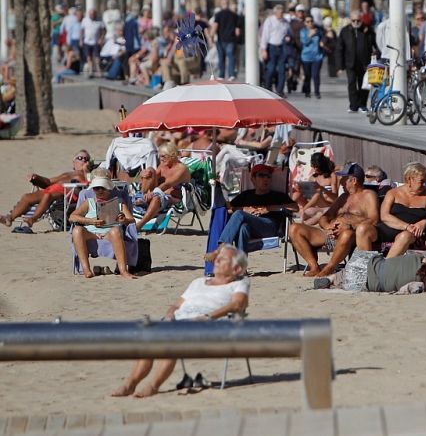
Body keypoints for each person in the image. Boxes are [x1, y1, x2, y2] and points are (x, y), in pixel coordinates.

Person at [110, 245, 249, 397]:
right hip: (177, 321)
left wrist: (208, 317)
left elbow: (238, 304)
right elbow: (176, 305)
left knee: (171, 342)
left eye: (222, 259)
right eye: (218, 257)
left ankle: (153, 386)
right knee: (147, 340)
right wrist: (169, 316)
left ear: (236, 269)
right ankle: (130, 385)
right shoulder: (199, 282)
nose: (216, 260)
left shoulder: (239, 283)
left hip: (206, 326)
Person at [288, 163, 379, 277]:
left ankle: (329, 267)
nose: (341, 182)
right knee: (294, 228)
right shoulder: (343, 197)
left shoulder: (369, 195)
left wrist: (350, 225)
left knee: (346, 234)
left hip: (351, 236)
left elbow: (374, 219)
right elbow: (325, 216)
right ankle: (314, 267)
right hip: (330, 235)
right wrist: (327, 226)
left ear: (354, 180)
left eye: (344, 179)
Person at [206, 165, 297, 259]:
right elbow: (229, 209)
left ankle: (222, 248)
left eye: (268, 176)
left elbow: (295, 207)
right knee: (243, 228)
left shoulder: (277, 195)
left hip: (270, 227)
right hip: (252, 228)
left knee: (239, 214)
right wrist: (245, 209)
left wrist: (269, 209)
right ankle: (241, 266)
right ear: (253, 179)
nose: (266, 179)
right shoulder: (246, 195)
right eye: (261, 175)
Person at [0, 150, 92, 229]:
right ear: (74, 162)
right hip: (51, 190)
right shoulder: (67, 174)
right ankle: (9, 218)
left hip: (68, 194)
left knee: (48, 195)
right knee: (27, 197)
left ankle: (33, 219)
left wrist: (86, 171)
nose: (83, 160)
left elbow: (90, 186)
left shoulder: (88, 174)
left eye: (86, 159)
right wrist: (36, 178)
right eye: (80, 158)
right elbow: (48, 182)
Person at [70, 177, 137, 279]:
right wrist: (91, 221)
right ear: (93, 190)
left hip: (110, 234)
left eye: (102, 188)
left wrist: (124, 220)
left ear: (109, 189)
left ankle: (123, 271)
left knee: (115, 231)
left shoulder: (119, 202)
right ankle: (86, 270)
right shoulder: (89, 202)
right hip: (91, 233)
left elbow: (131, 220)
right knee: (77, 230)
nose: (100, 191)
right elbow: (72, 217)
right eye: (96, 188)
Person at [373, 162, 426, 258]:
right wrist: (406, 226)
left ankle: (384, 267)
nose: (424, 185)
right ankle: (365, 267)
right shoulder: (393, 193)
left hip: (411, 233)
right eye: (421, 181)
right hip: (389, 228)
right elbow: (384, 216)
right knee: (363, 230)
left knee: (404, 236)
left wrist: (424, 222)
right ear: (409, 179)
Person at [312, 250, 426, 293]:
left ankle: (330, 278)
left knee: (346, 272)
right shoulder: (416, 284)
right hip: (360, 284)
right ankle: (334, 282)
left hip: (362, 263)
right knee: (347, 281)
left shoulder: (414, 259)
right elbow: (404, 290)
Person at [133, 142, 191, 232]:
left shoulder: (181, 169)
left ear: (173, 155)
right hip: (159, 193)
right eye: (160, 156)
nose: (161, 159)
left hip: (174, 197)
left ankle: (139, 225)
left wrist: (153, 193)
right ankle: (142, 195)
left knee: (157, 197)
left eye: (164, 156)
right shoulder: (163, 165)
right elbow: (153, 178)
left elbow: (167, 184)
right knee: (150, 170)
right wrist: (143, 175)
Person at [336, 10, 377, 113]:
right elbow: (340, 48)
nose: (355, 23)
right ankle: (353, 105)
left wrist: (377, 55)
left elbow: (376, 45)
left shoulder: (368, 30)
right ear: (350, 20)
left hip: (364, 63)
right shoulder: (345, 31)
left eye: (358, 20)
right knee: (351, 83)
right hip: (350, 63)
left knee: (364, 85)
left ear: (361, 20)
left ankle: (362, 105)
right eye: (353, 20)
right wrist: (340, 66)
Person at [291, 152, 339, 225]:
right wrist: (300, 189)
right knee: (297, 194)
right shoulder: (313, 177)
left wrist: (323, 189)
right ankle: (301, 222)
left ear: (322, 165)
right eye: (314, 166)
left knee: (319, 194)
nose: (315, 169)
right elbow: (310, 197)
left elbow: (335, 197)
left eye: (317, 166)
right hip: (316, 205)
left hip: (328, 203)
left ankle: (302, 213)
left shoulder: (332, 176)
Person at [260, 5, 290, 94]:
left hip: (282, 47)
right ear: (275, 12)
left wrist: (288, 38)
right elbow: (265, 35)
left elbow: (287, 33)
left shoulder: (285, 22)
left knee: (282, 69)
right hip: (271, 47)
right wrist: (263, 49)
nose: (281, 14)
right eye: (280, 12)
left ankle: (280, 90)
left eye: (282, 12)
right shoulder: (269, 21)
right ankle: (268, 88)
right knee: (271, 68)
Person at [212, 0, 240, 80]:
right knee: (231, 57)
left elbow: (215, 27)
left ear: (221, 4)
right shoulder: (234, 15)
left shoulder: (218, 14)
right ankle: (231, 75)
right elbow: (237, 31)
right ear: (228, 4)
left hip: (221, 39)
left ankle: (221, 75)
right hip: (231, 39)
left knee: (221, 57)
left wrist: (211, 36)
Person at [300, 15, 324, 99]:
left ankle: (317, 92)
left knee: (316, 75)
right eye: (308, 22)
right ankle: (307, 92)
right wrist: (310, 35)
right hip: (306, 57)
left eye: (311, 21)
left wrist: (323, 43)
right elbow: (304, 42)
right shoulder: (303, 31)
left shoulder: (318, 31)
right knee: (307, 75)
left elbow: (323, 39)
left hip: (317, 57)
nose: (310, 23)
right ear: (305, 23)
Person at [81, 8, 105, 77]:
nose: (92, 16)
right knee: (89, 57)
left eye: (93, 14)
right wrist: (81, 40)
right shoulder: (85, 20)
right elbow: (82, 31)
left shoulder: (99, 21)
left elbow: (103, 30)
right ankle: (91, 71)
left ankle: (98, 71)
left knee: (97, 57)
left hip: (95, 41)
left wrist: (101, 38)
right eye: (91, 14)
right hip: (87, 41)